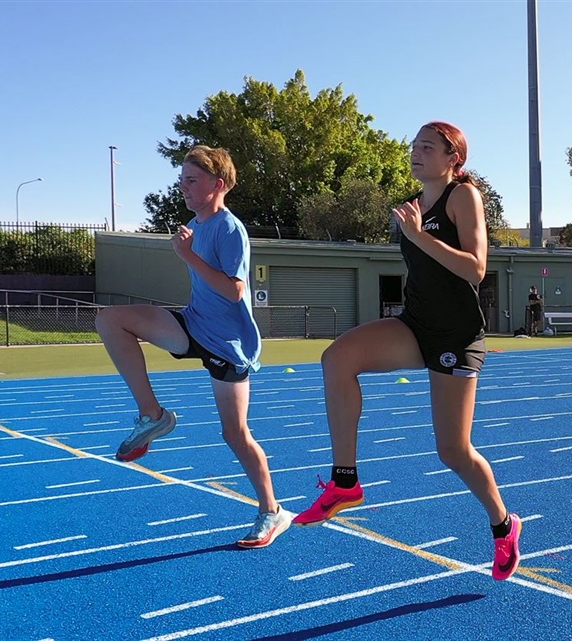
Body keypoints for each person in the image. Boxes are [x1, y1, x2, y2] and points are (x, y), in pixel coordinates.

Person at [292, 122, 522, 581]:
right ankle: (344, 482)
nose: (416, 152)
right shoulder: (414, 205)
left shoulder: (462, 196)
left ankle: (503, 524)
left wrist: (418, 236)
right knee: (337, 358)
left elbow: (476, 270)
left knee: (453, 450)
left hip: (455, 337)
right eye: (415, 145)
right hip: (414, 325)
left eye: (428, 147)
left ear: (452, 157)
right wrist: (415, 233)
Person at [94, 145, 290, 549]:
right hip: (193, 323)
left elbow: (235, 290)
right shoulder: (193, 225)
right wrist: (187, 252)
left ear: (217, 185)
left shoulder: (230, 228)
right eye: (182, 179)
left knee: (235, 434)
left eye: (191, 180)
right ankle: (152, 415)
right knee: (110, 319)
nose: (182, 186)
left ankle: (271, 511)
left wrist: (187, 256)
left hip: (229, 343)